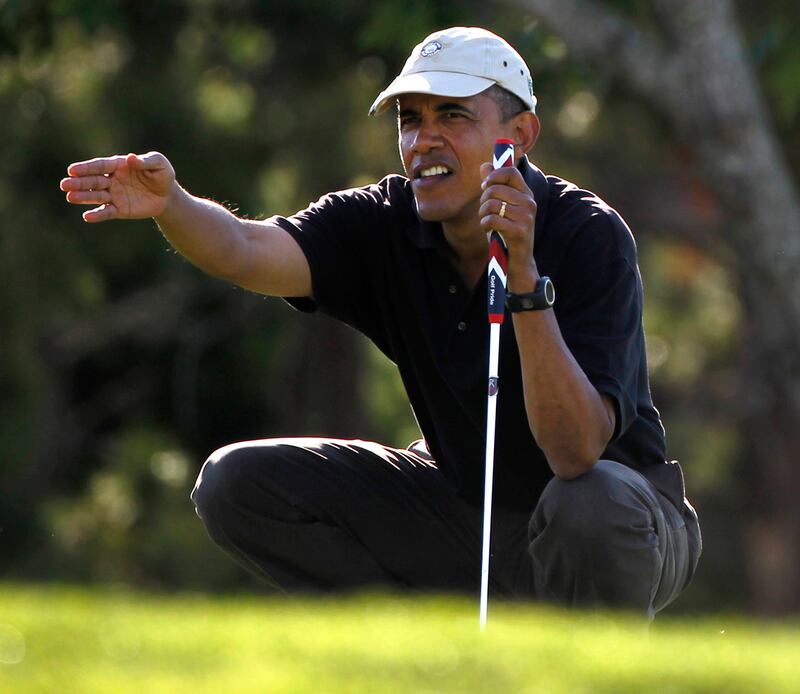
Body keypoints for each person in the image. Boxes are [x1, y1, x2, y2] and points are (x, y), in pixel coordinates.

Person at [61, 26, 701, 619]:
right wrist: (172, 205)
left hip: (624, 521)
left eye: (453, 115)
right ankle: (422, 652)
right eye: (410, 119)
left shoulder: (588, 234)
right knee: (237, 483)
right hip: (465, 513)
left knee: (586, 503)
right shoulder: (382, 221)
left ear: (521, 134)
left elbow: (575, 451)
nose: (424, 140)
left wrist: (525, 280)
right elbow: (247, 250)